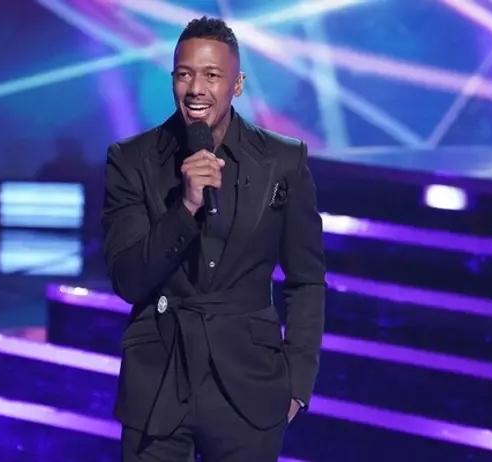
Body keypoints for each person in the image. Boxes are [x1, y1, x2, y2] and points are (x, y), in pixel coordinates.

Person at [101, 16, 326, 462]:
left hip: (249, 385)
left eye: (211, 75)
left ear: (237, 85)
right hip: (159, 380)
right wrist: (185, 207)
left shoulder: (283, 160)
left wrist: (298, 383)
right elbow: (128, 279)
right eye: (184, 74)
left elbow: (307, 279)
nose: (196, 89)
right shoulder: (131, 160)